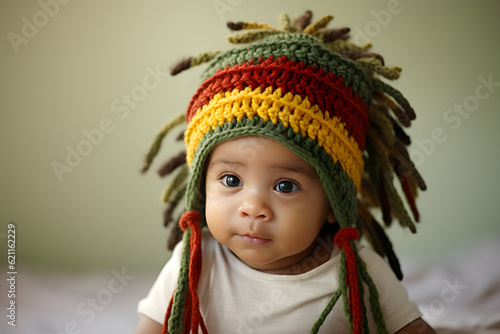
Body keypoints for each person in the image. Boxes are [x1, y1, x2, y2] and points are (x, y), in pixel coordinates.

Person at [135, 11, 436, 334]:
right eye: (231, 180)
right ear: (201, 184)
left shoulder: (357, 273)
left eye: (286, 186)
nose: (252, 207)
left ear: (334, 202)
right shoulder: (195, 261)